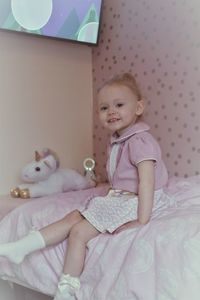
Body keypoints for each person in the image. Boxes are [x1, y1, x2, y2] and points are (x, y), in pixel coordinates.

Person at [0, 73, 169, 300]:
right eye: (104, 107)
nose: (111, 112)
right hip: (120, 195)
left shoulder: (140, 141)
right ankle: (22, 247)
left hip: (137, 199)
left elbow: (146, 182)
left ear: (138, 108)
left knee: (79, 233)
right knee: (72, 217)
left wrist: (142, 220)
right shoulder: (119, 139)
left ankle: (67, 288)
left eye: (119, 105)